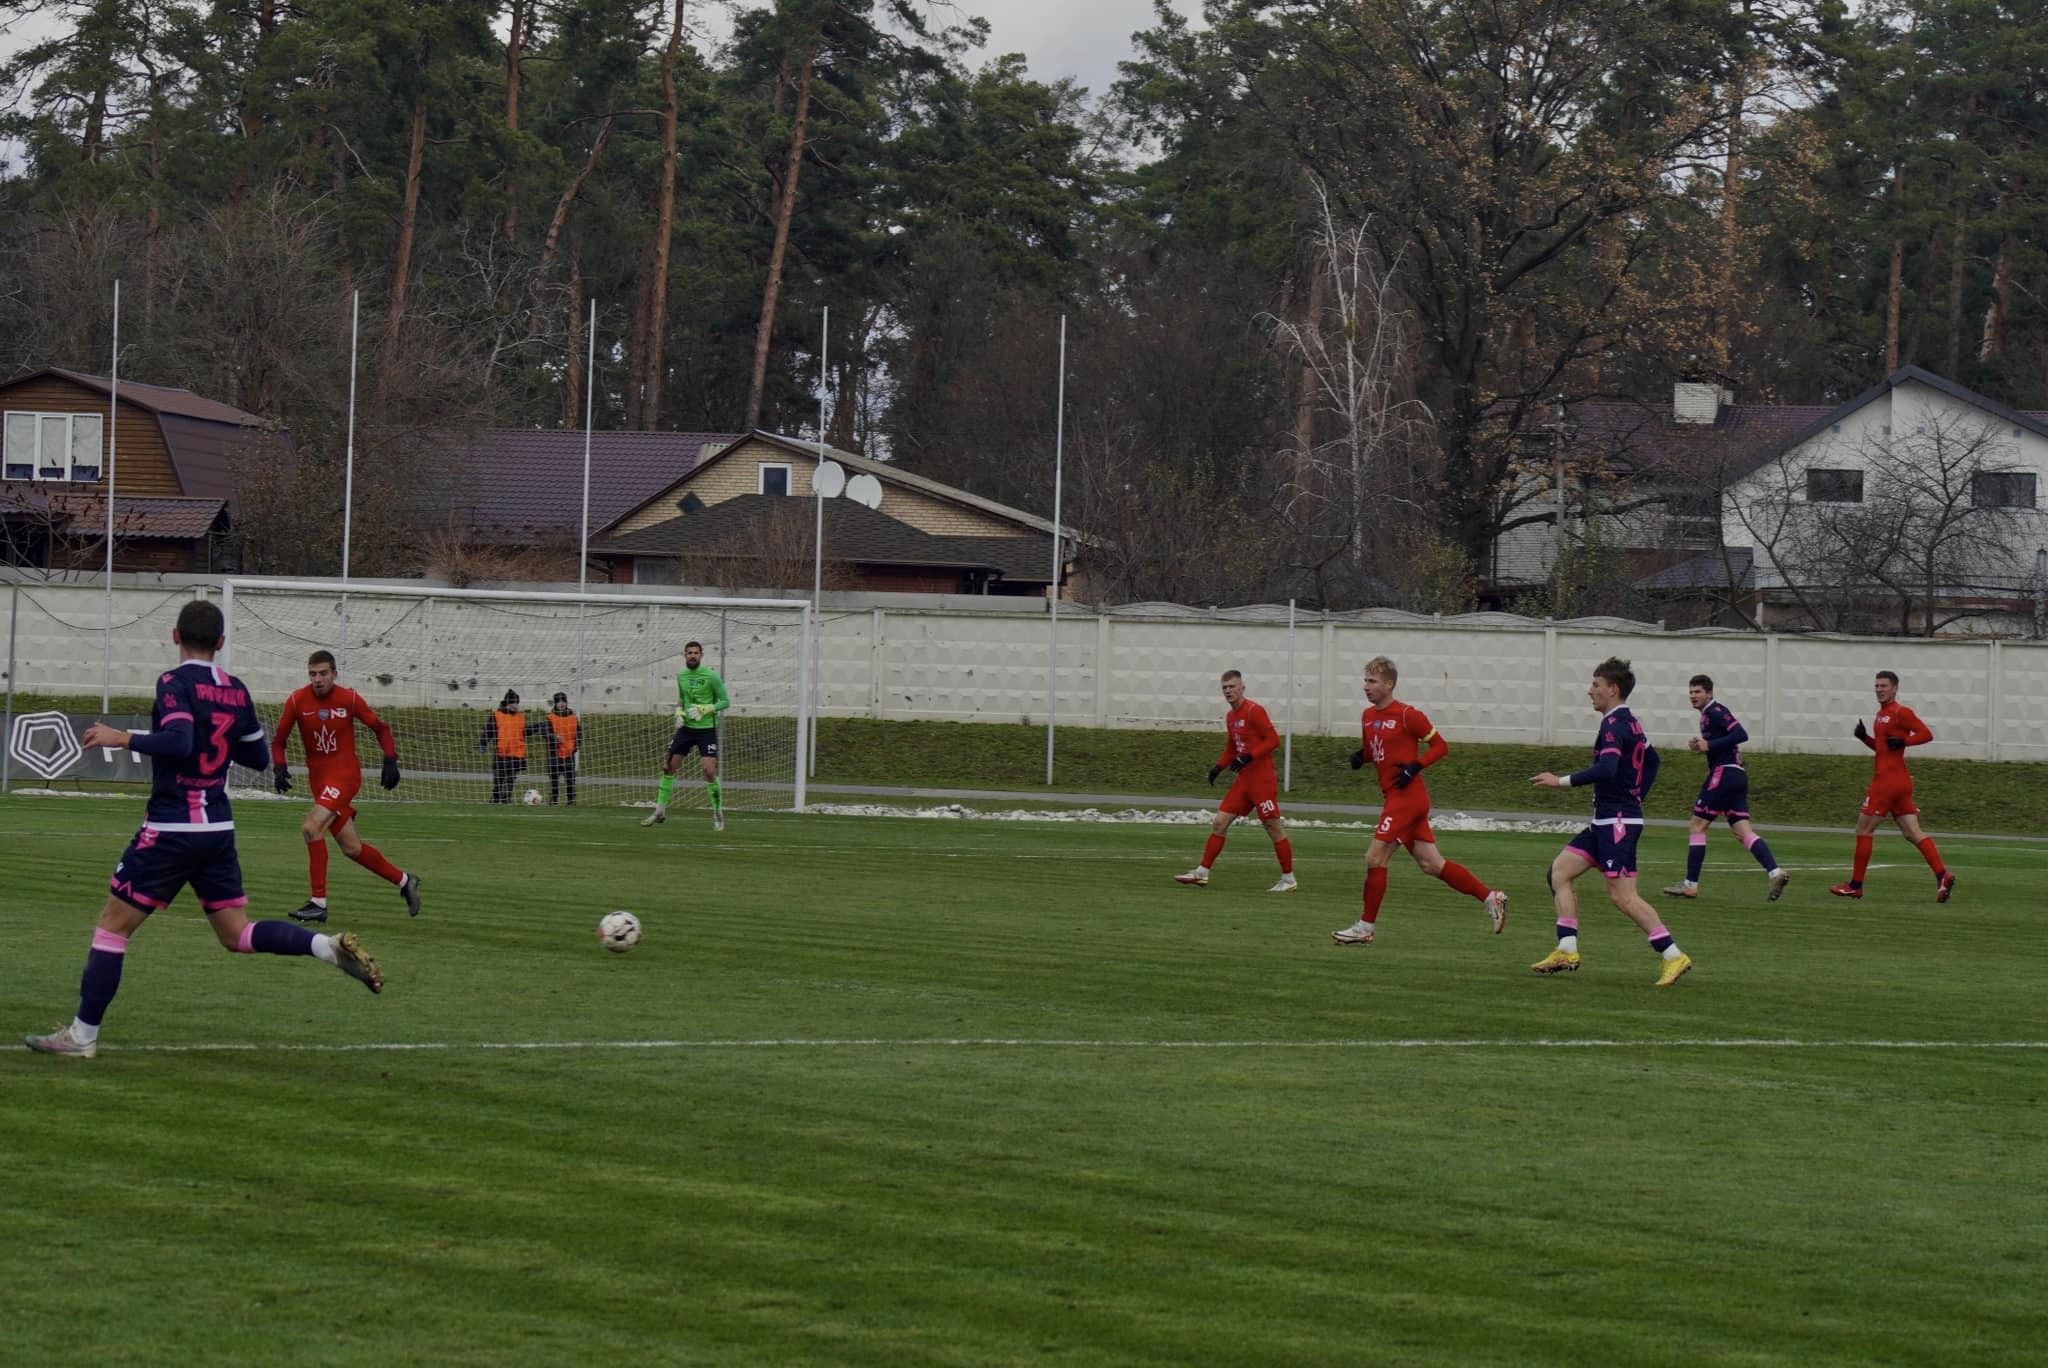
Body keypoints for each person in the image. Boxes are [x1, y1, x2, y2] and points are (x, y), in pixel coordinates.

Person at [25, 600, 382, 1059]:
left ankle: (82, 1036)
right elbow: (256, 757)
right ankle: (327, 948)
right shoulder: (235, 689)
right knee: (236, 934)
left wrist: (123, 737)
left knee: (112, 928)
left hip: (172, 825)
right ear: (221, 643)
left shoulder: (174, 682)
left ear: (175, 636)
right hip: (217, 827)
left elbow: (178, 741)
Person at [1530, 656, 1693, 987]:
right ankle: (1566, 948)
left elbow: (1606, 769)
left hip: (1616, 822)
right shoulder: (1630, 722)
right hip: (1606, 819)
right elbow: (1654, 760)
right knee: (1559, 872)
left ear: (1612, 689)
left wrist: (1559, 781)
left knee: (1623, 897)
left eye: (1595, 685)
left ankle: (1673, 955)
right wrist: (1638, 795)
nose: (1590, 691)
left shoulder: (1613, 725)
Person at [1331, 656, 1508, 944]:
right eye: (1365, 680)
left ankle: (1365, 928)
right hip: (1397, 799)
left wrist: (1416, 765)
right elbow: (1373, 751)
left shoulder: (1407, 715)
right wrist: (1359, 757)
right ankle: (1491, 897)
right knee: (1431, 864)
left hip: (1407, 798)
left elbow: (1440, 747)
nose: (1366, 686)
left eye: (1372, 681)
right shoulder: (1367, 716)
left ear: (1389, 684)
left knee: (1375, 857)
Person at [273, 649, 422, 923]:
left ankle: (318, 902)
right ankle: (405, 881)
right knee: (352, 848)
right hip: (319, 781)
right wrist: (279, 765)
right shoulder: (297, 700)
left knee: (310, 827)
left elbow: (381, 728)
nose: (317, 679)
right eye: (313, 674)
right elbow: (279, 740)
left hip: (344, 776)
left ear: (334, 674)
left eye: (323, 673)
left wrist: (390, 759)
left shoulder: (349, 698)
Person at [1662, 674, 1789, 902]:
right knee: (1743, 832)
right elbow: (1724, 742)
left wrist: (1709, 745)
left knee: (1697, 825)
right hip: (1736, 775)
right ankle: (1775, 872)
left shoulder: (1715, 711)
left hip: (1725, 774)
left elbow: (1741, 734)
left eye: (1698, 692)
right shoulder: (1707, 716)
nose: (1693, 696)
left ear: (1709, 693)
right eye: (1691, 692)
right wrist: (1703, 747)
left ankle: (1690, 885)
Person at [1830, 670, 1952, 901]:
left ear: (1894, 688)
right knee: (1912, 832)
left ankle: (1855, 885)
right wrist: (1864, 738)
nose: (1879, 689)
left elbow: (1926, 734)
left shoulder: (1900, 712)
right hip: (1899, 782)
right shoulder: (1881, 715)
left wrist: (1904, 740)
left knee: (1863, 830)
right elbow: (1885, 750)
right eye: (1876, 686)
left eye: (1883, 686)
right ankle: (1942, 875)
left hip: (1887, 782)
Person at [1173, 669, 1296, 891]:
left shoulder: (1254, 711)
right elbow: (1232, 746)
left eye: (1232, 686)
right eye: (1225, 688)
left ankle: (1288, 879)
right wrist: (1218, 767)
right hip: (1244, 781)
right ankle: (1202, 873)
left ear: (1242, 688)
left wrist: (1249, 756)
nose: (1228, 691)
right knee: (1219, 822)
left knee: (1272, 826)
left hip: (1262, 780)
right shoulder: (1231, 717)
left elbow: (1273, 740)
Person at [641, 641, 731, 831]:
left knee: (709, 772)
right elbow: (682, 699)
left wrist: (708, 708)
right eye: (689, 653)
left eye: (696, 653)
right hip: (686, 729)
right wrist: (679, 713)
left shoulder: (711, 676)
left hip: (706, 730)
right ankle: (660, 810)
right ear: (684, 655)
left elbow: (725, 701)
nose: (692, 656)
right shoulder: (681, 676)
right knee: (668, 767)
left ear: (701, 655)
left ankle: (718, 813)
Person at [477, 690, 546, 804]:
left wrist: (536, 727)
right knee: (499, 779)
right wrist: (483, 744)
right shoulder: (497, 715)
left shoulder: (520, 717)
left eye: (517, 703)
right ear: (508, 703)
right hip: (502, 753)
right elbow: (489, 731)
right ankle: (495, 799)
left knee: (510, 779)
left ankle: (506, 800)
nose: (516, 705)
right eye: (514, 702)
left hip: (516, 753)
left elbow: (523, 732)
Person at [546, 692, 580, 806]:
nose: (561, 704)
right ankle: (554, 800)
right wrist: (555, 738)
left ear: (566, 703)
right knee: (554, 780)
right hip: (554, 754)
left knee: (570, 780)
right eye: (559, 702)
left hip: (569, 754)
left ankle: (571, 801)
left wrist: (575, 747)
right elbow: (546, 733)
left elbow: (579, 734)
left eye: (563, 701)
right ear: (555, 703)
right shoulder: (550, 717)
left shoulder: (574, 717)